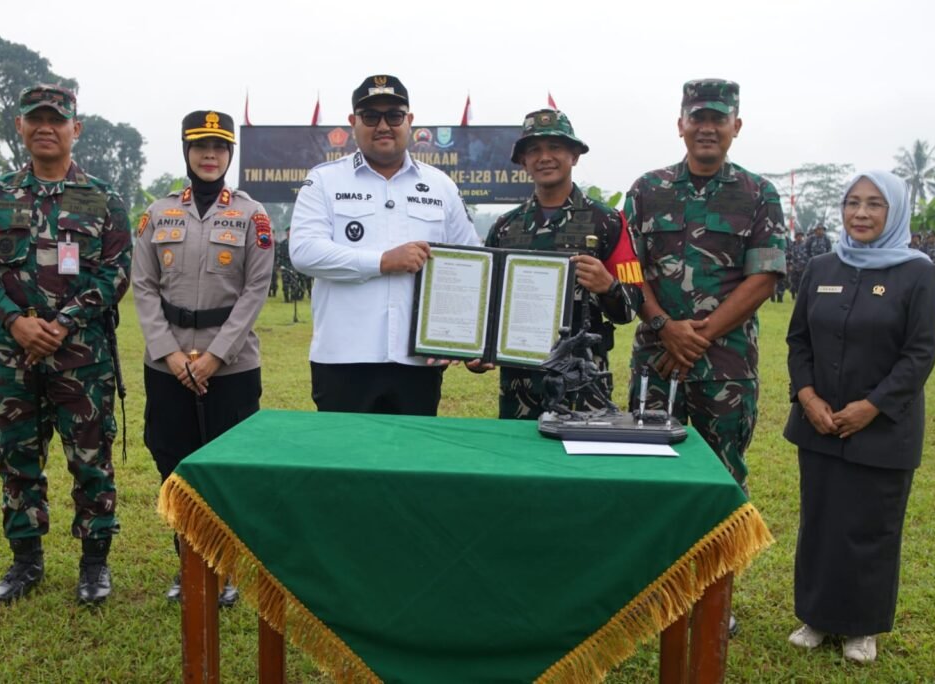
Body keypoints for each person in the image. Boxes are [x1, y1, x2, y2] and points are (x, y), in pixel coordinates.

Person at [0, 84, 131, 606]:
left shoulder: (102, 198)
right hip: (9, 356)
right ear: (20, 126)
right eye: (35, 119)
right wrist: (15, 322)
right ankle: (25, 561)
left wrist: (61, 325)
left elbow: (115, 272)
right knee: (17, 457)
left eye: (56, 120)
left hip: (81, 358)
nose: (45, 128)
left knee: (90, 456)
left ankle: (94, 564)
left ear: (75, 128)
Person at [784, 170, 935, 663]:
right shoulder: (821, 267)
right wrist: (807, 396)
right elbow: (798, 340)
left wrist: (871, 407)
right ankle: (815, 616)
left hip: (884, 428)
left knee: (871, 526)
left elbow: (920, 353)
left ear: (894, 212)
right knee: (820, 522)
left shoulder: (917, 273)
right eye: (853, 202)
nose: (861, 213)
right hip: (820, 423)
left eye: (875, 204)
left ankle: (862, 627)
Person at [133, 110, 273, 605]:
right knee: (174, 462)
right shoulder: (158, 213)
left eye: (218, 147)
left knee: (226, 467)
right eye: (200, 146)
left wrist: (215, 356)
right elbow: (143, 286)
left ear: (230, 154)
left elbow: (256, 290)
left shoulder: (252, 215)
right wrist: (169, 354)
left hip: (231, 365)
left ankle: (227, 568)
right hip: (167, 364)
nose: (209, 155)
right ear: (186, 152)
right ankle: (189, 562)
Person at [624, 78, 787, 494]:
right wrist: (664, 327)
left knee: (722, 483)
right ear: (681, 125)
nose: (708, 128)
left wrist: (696, 338)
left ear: (737, 126)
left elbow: (764, 277)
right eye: (698, 118)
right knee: (649, 479)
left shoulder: (759, 194)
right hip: (656, 364)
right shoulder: (647, 190)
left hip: (726, 369)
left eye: (719, 119)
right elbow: (627, 269)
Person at [290, 74, 482, 415]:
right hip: (343, 359)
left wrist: (473, 341)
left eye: (394, 116)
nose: (383, 126)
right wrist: (381, 261)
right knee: (346, 450)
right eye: (370, 116)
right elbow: (304, 252)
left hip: (417, 361)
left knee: (410, 451)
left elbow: (472, 265)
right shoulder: (324, 180)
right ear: (353, 122)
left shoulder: (440, 186)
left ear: (409, 121)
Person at [484, 109, 642, 419]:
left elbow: (632, 306)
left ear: (574, 155)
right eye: (534, 150)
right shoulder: (505, 228)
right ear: (523, 161)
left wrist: (608, 286)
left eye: (555, 147)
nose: (545, 157)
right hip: (519, 386)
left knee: (581, 452)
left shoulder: (608, 221)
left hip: (583, 384)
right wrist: (479, 352)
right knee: (519, 451)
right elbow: (487, 305)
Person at [786, 231, 807, 300]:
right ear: (795, 237)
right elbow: (788, 256)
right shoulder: (792, 245)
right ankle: (793, 295)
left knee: (801, 282)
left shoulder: (805, 245)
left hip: (802, 266)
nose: (799, 237)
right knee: (793, 281)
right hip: (793, 267)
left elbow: (807, 256)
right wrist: (789, 265)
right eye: (798, 236)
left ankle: (799, 295)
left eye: (801, 236)